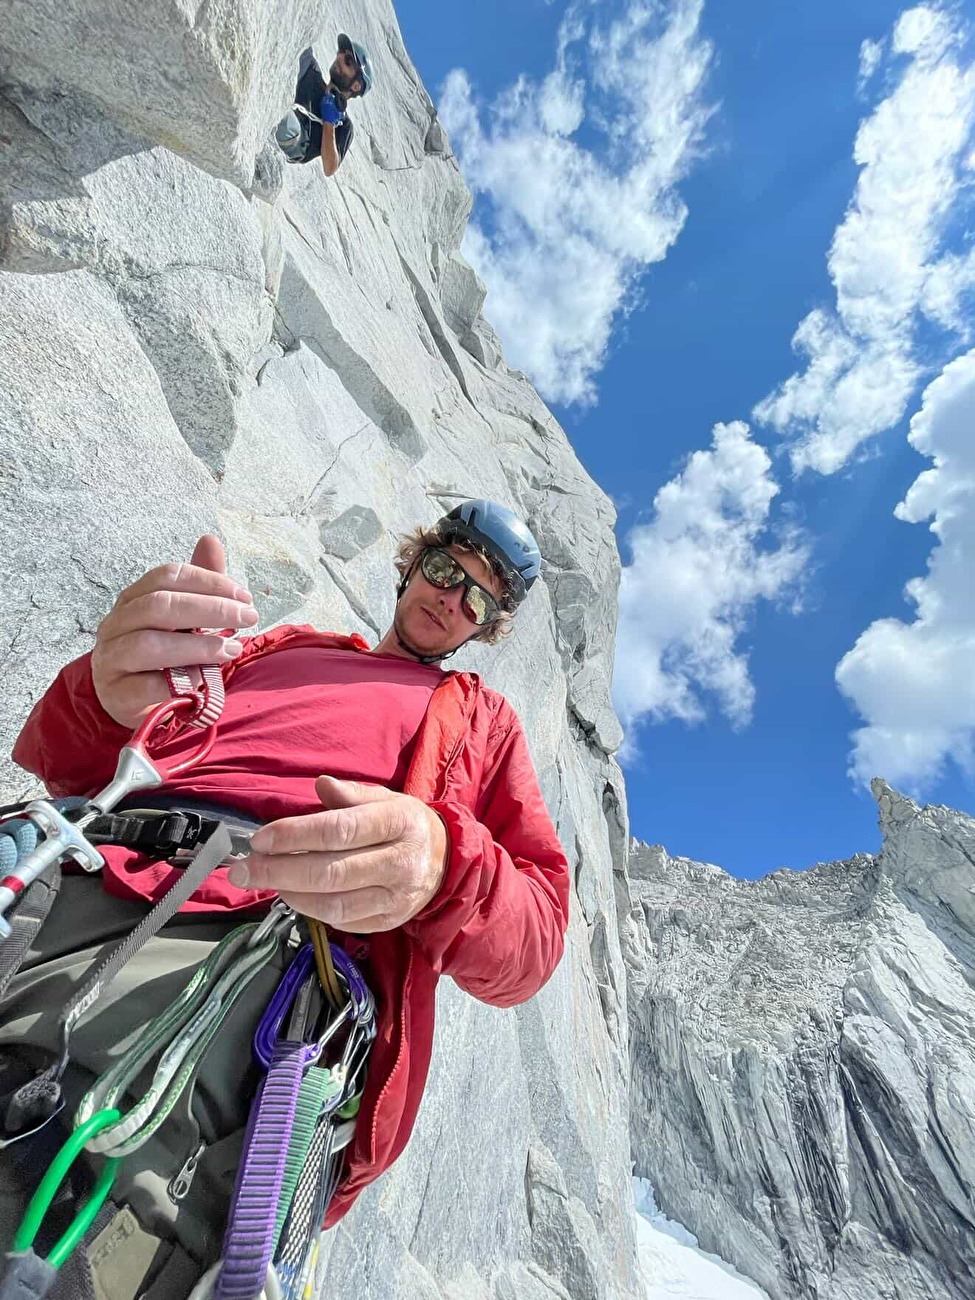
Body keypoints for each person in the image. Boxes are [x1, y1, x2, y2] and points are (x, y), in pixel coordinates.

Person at [7, 500, 569, 1236]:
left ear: (484, 627)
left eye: (477, 598)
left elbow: (536, 937)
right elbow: (65, 760)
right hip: (66, 864)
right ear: (411, 565)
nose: (449, 597)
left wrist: (443, 863)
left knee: (62, 1197)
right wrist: (103, 694)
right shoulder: (273, 647)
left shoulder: (479, 722)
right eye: (442, 569)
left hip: (245, 948)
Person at [275, 36, 373, 176]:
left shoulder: (344, 126)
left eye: (348, 61)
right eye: (341, 51)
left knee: (284, 119)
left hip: (295, 139)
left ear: (356, 86)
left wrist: (329, 123)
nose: (339, 56)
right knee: (302, 47)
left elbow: (330, 167)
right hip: (279, 108)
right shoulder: (312, 71)